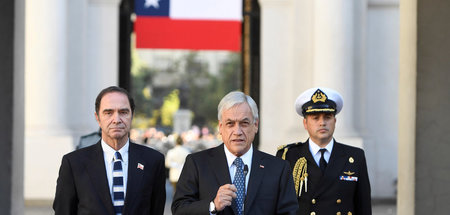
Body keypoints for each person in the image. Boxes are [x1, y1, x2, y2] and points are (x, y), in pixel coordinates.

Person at [172, 91, 298, 215]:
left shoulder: (278, 168)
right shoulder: (197, 164)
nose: (237, 131)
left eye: (244, 123)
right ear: (221, 127)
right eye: (230, 124)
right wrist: (213, 205)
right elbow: (179, 209)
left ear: (255, 125)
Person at [53, 86, 166, 215]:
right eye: (108, 113)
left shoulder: (153, 161)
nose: (116, 120)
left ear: (132, 115)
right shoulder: (74, 163)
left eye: (123, 112)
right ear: (98, 118)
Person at [276, 87, 372, 215]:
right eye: (315, 118)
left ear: (335, 121)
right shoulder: (288, 156)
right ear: (305, 123)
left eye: (327, 117)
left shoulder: (355, 156)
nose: (322, 123)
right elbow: (279, 205)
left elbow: (363, 206)